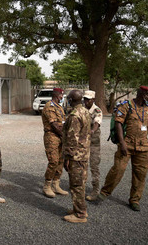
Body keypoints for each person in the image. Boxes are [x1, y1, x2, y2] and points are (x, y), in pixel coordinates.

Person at [97, 86, 148, 212]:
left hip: (143, 147)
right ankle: (105, 192)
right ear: (141, 93)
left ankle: (134, 200)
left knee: (140, 175)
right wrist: (122, 143)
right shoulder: (126, 105)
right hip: (127, 144)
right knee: (118, 169)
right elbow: (118, 123)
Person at [62, 90, 91, 223]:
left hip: (76, 156)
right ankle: (77, 208)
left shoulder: (74, 115)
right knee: (81, 183)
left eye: (68, 98)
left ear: (72, 100)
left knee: (76, 185)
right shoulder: (85, 111)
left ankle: (80, 214)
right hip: (84, 153)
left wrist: (67, 158)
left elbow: (73, 139)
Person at [41, 88, 69, 198]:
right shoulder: (50, 106)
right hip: (52, 136)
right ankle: (47, 185)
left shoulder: (59, 107)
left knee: (61, 161)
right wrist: (64, 135)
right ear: (58, 95)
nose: (63, 97)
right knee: (53, 160)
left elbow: (62, 123)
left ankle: (56, 184)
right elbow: (54, 125)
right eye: (62, 95)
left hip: (60, 136)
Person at [83, 90, 103, 201]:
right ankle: (81, 188)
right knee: (82, 165)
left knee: (94, 166)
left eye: (88, 99)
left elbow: (97, 121)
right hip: (82, 142)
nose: (86, 101)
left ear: (93, 99)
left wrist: (92, 130)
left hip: (93, 142)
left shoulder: (97, 110)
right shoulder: (81, 109)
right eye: (85, 99)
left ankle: (95, 190)